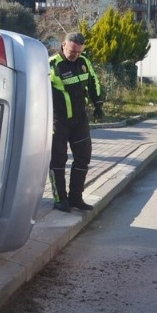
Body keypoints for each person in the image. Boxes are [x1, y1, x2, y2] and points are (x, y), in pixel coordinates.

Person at [48, 31, 104, 212]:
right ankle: (60, 199)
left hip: (79, 119)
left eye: (79, 52)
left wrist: (98, 105)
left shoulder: (83, 61)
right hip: (59, 120)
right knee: (58, 159)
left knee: (83, 158)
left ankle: (75, 198)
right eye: (72, 51)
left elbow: (94, 81)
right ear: (63, 45)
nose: (75, 55)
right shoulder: (51, 65)